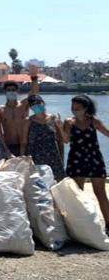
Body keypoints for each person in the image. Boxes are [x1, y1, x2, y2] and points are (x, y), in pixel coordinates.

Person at [60, 95, 109, 227]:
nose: (75, 110)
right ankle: (81, 226)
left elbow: (107, 133)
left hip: (94, 158)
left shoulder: (94, 121)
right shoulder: (69, 122)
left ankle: (108, 224)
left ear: (86, 108)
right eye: (73, 107)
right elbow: (65, 140)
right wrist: (61, 127)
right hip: (76, 158)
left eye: (78, 108)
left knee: (100, 193)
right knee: (78, 193)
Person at [0, 65, 40, 156]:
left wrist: (34, 77)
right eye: (9, 90)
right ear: (5, 92)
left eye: (13, 90)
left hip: (26, 144)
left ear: (17, 91)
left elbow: (34, 92)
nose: (11, 92)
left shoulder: (24, 104)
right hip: (9, 145)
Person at [21, 95, 65, 181]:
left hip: (53, 157)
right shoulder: (28, 121)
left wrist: (62, 158)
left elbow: (60, 141)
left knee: (57, 182)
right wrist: (23, 158)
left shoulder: (53, 119)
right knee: (39, 184)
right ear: (30, 108)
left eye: (38, 103)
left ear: (43, 103)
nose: (36, 105)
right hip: (35, 157)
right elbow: (24, 142)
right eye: (33, 104)